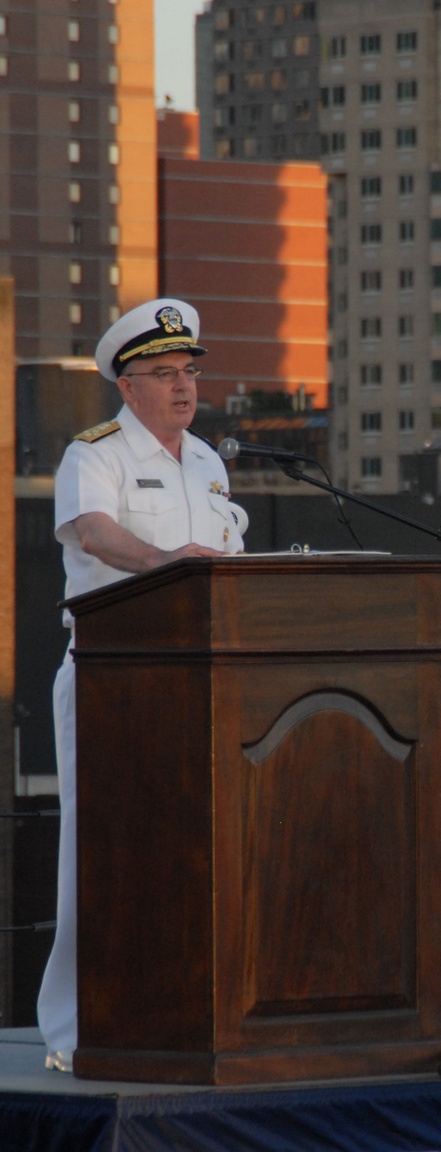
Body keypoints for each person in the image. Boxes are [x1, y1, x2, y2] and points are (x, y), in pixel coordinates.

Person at [39, 300, 249, 1071]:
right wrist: (169, 565)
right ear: (126, 387)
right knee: (98, 850)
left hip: (207, 683)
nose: (183, 388)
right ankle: (73, 1027)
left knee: (197, 851)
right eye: (163, 375)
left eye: (189, 372)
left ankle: (183, 1014)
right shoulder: (93, 453)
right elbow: (94, 533)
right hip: (112, 678)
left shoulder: (210, 463)